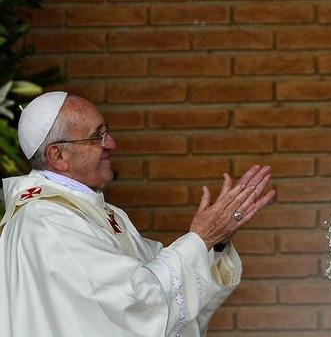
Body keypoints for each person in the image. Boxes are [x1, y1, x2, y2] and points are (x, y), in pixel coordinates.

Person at [0, 91, 276, 337]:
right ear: (58, 155)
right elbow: (137, 302)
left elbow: (156, 276)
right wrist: (200, 238)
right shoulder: (47, 222)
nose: (112, 144)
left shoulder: (97, 213)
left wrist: (214, 241)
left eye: (107, 132)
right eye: (98, 136)